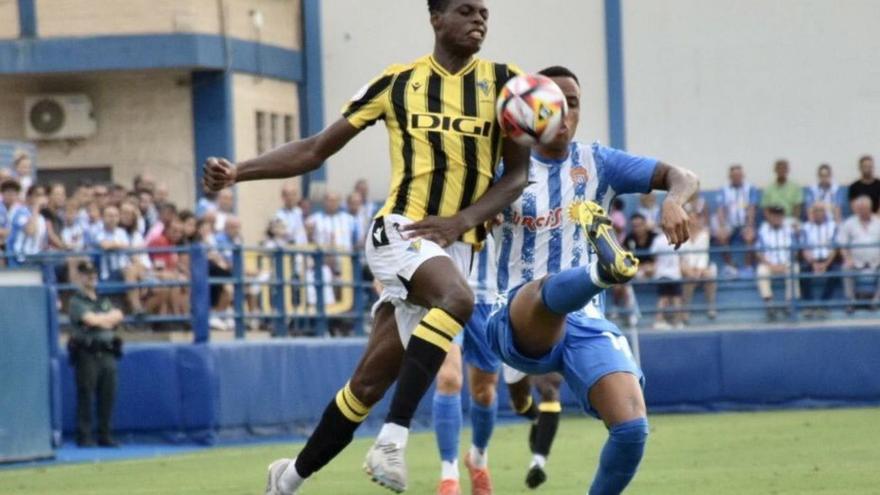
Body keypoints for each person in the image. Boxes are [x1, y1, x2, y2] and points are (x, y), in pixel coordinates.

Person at [204, 2, 531, 493]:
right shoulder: (397, 83)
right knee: (458, 301)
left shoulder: (509, 85)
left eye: (484, 12)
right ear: (436, 18)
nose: (479, 19)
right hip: (401, 232)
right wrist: (239, 172)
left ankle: (285, 480)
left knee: (366, 387)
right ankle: (392, 441)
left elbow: (518, 176)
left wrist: (463, 220)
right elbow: (315, 149)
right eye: (466, 10)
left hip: (454, 247)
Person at [483, 66, 697, 493]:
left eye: (572, 103)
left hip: (584, 323)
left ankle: (601, 272)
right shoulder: (503, 170)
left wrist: (674, 200)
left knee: (632, 430)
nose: (563, 113)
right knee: (545, 292)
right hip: (514, 316)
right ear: (528, 112)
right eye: (552, 104)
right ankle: (603, 271)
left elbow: (684, 175)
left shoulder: (597, 161)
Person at [431, 236, 500, 495]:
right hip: (445, 291)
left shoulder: (504, 193)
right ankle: (449, 476)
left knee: (484, 391)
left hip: (488, 297)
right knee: (449, 378)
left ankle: (478, 459)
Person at [67, 261, 123, 447]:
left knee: (108, 394)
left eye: (93, 273)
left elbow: (118, 315)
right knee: (86, 394)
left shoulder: (102, 299)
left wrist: (102, 320)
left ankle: (105, 434)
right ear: (79, 277)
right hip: (87, 352)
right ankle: (84, 435)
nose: (91, 277)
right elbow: (89, 320)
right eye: (87, 274)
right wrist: (104, 320)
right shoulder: (76, 301)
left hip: (107, 350)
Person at [712, 164, 758, 274]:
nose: (737, 177)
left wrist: (749, 225)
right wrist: (722, 226)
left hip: (745, 222)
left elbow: (752, 208)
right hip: (729, 223)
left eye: (739, 175)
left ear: (743, 175)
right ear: (730, 176)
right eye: (734, 175)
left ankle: (748, 267)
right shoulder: (723, 189)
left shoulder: (750, 188)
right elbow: (720, 210)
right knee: (721, 236)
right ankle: (729, 265)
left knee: (750, 236)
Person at [755, 205, 798, 321]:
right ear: (769, 217)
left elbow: (794, 251)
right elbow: (759, 252)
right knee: (761, 270)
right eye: (774, 215)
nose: (776, 218)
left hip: (786, 263)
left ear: (782, 217)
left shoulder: (789, 230)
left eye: (779, 215)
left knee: (794, 268)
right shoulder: (763, 231)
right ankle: (769, 305)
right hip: (770, 264)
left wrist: (785, 264)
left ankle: (789, 304)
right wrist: (771, 265)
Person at [837, 196, 880, 309]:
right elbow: (843, 244)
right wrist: (847, 259)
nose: (863, 211)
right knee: (845, 268)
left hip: (877, 260)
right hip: (855, 261)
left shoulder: (878, 222)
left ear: (870, 208)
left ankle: (876, 300)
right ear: (856, 209)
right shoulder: (849, 223)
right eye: (860, 209)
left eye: (866, 208)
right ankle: (850, 301)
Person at [798, 202, 839, 318]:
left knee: (836, 271)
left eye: (821, 210)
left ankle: (823, 305)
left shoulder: (833, 226)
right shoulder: (805, 227)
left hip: (828, 259)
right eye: (815, 210)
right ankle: (809, 305)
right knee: (802, 271)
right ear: (812, 213)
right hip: (811, 259)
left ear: (825, 213)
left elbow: (835, 248)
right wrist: (814, 263)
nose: (818, 213)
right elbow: (804, 249)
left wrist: (826, 263)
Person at [680, 208, 717, 322]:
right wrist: (690, 269)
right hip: (685, 266)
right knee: (689, 277)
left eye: (694, 217)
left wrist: (699, 269)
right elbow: (681, 256)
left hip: (701, 266)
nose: (692, 220)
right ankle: (685, 309)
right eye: (689, 217)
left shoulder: (704, 234)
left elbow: (703, 254)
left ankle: (711, 306)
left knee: (709, 275)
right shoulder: (681, 235)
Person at [650, 230, 683, 329]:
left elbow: (653, 254)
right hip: (674, 274)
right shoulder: (678, 237)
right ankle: (677, 322)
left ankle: (659, 320)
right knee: (676, 298)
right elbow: (682, 255)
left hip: (662, 274)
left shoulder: (658, 239)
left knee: (663, 298)